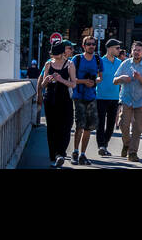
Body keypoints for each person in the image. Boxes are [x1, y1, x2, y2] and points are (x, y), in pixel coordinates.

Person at [113, 41, 142, 162]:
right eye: (134, 50)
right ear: (131, 51)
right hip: (127, 99)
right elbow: (114, 80)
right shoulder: (125, 64)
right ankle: (127, 143)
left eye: (139, 50)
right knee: (123, 125)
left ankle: (132, 152)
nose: (136, 52)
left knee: (137, 128)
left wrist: (139, 78)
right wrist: (121, 78)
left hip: (141, 101)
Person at [38, 42, 77, 168]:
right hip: (50, 99)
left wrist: (61, 80)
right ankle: (54, 155)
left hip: (65, 99)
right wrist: (47, 80)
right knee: (52, 129)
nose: (54, 57)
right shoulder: (48, 64)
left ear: (62, 53)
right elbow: (43, 85)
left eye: (56, 54)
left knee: (66, 127)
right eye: (52, 54)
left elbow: (73, 84)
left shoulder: (70, 64)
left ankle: (61, 153)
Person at [70, 36, 102, 164]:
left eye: (93, 44)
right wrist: (84, 81)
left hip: (92, 97)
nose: (91, 46)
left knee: (89, 127)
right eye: (88, 44)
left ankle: (83, 154)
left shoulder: (98, 59)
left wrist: (94, 81)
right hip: (79, 96)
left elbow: (101, 77)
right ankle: (75, 152)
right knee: (79, 126)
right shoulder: (76, 59)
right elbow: (71, 79)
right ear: (84, 46)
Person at [95, 38, 123, 157]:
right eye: (117, 48)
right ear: (109, 48)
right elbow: (95, 77)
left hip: (115, 98)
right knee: (100, 123)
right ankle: (101, 145)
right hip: (100, 97)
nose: (119, 50)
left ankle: (104, 145)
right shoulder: (99, 61)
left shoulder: (119, 63)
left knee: (111, 125)